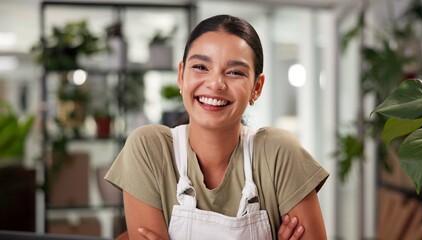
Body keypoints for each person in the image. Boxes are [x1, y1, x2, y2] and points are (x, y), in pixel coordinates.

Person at [105, 14, 329, 240]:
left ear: (257, 88)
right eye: (201, 66)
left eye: (235, 72)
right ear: (181, 75)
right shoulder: (149, 149)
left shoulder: (278, 153)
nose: (215, 84)